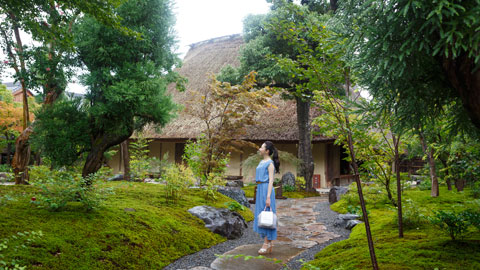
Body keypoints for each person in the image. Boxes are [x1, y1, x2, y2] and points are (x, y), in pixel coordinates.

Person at [253, 141, 280, 255]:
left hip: (266, 190)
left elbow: (271, 181)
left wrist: (268, 197)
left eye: (262, 147)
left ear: (267, 151)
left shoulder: (270, 163)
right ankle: (268, 242)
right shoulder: (261, 161)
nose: (259, 149)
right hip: (260, 189)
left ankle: (266, 243)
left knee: (267, 214)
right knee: (261, 215)